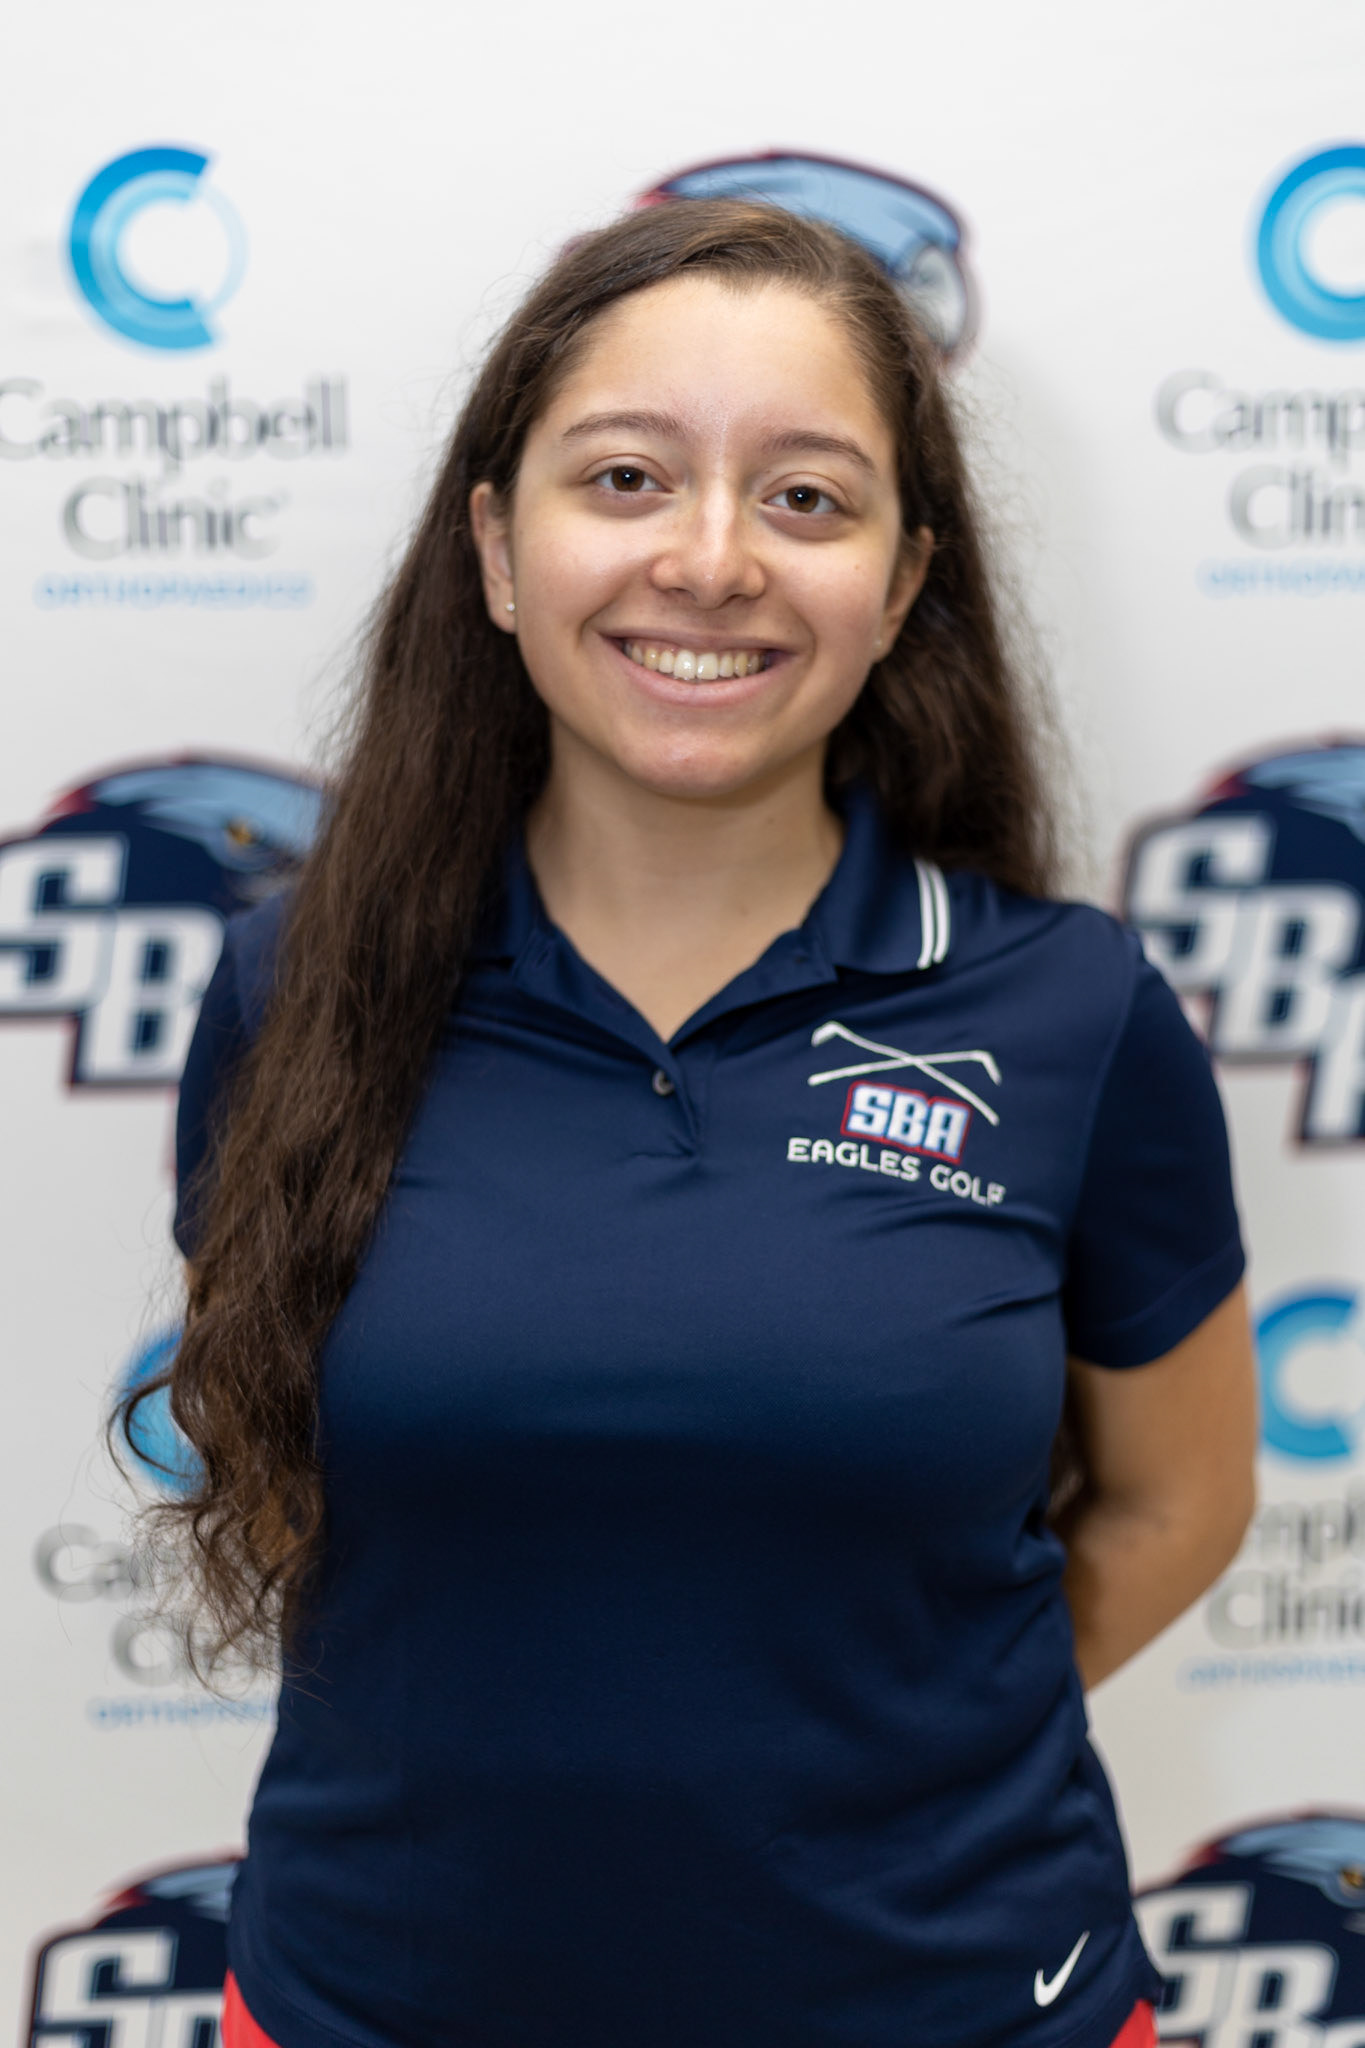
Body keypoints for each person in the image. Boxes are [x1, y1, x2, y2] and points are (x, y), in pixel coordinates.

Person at [125, 197, 1257, 2048]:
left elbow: (1180, 1498)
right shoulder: (295, 993)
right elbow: (268, 1455)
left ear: (899, 586)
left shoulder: (1070, 1010)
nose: (711, 559)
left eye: (807, 499)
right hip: (379, 2003)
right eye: (627, 478)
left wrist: (887, 1751)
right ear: (497, 545)